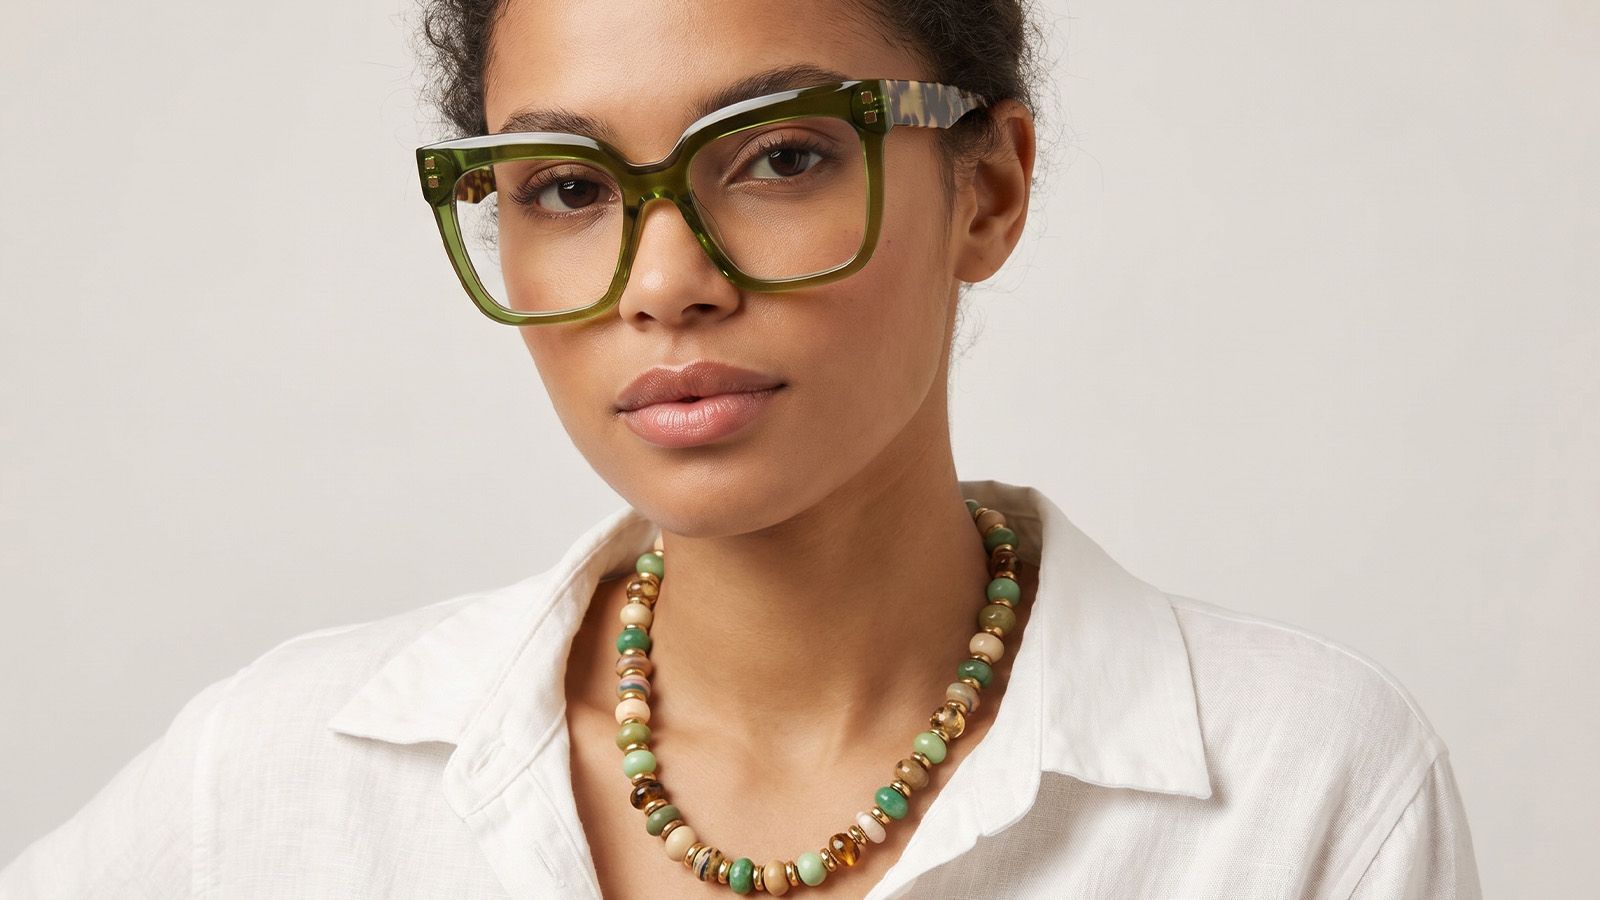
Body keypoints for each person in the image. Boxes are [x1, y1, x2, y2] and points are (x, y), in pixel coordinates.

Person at [1, 1, 1481, 897]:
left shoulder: (1302, 790)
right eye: (567, 186)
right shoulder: (282, 780)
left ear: (989, 190)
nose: (664, 280)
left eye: (781, 155)